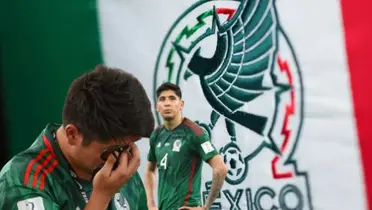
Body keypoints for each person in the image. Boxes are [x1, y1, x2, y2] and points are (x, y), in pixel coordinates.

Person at [0, 65, 155, 210]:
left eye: (128, 147)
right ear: (73, 135)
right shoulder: (22, 181)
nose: (122, 159)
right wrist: (102, 196)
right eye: (110, 151)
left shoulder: (119, 160)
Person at [144, 82, 228, 210]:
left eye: (172, 98)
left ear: (181, 105)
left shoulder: (195, 133)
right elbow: (150, 170)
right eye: (162, 99)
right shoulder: (156, 135)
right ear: (157, 107)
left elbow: (220, 169)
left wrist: (205, 208)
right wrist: (150, 203)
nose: (167, 103)